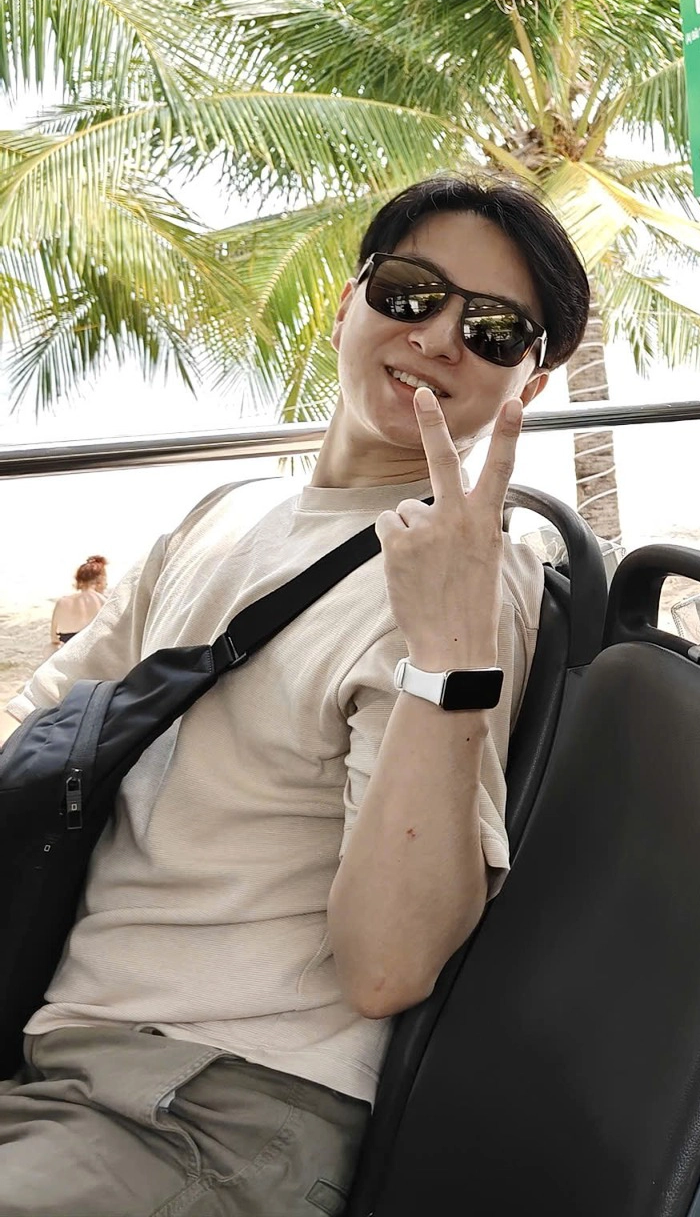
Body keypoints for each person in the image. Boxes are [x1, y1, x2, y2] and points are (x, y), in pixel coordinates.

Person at [0, 173, 591, 1215]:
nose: (442, 337)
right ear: (347, 302)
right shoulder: (227, 515)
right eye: (413, 292)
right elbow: (41, 723)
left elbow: (388, 968)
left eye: (497, 331)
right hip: (58, 1033)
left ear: (528, 388)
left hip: (207, 1108)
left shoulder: (464, 574)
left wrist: (449, 651)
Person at [49, 555, 108, 652]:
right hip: (94, 654)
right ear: (100, 581)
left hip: (69, 656)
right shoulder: (104, 602)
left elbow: (54, 638)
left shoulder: (62, 602)